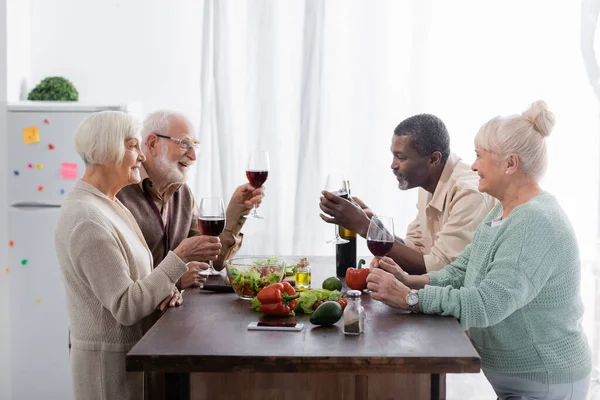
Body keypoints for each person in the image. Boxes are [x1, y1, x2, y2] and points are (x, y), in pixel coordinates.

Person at [367, 101, 591, 399]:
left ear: (510, 164)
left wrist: (409, 298)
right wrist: (409, 280)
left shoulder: (534, 221)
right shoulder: (502, 211)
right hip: (523, 382)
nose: (472, 166)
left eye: (479, 156)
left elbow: (487, 304)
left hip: (545, 380)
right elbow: (462, 271)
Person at [54, 111, 221, 400]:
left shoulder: (109, 204)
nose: (141, 156)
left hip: (133, 359)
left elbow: (139, 281)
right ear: (108, 150)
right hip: (110, 373)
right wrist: (178, 258)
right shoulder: (87, 219)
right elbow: (126, 306)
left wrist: (168, 289)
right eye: (133, 146)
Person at [320, 114, 496, 274]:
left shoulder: (468, 194)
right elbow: (417, 249)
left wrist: (364, 226)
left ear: (433, 159)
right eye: (393, 156)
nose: (393, 165)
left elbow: (441, 270)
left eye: (401, 157)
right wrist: (375, 226)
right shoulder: (429, 183)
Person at [117, 110, 264, 289]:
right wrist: (174, 281)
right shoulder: (119, 193)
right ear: (152, 143)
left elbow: (211, 260)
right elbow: (120, 283)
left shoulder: (183, 193)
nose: (193, 155)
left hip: (177, 314)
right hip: (141, 316)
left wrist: (236, 210)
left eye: (195, 146)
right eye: (185, 144)